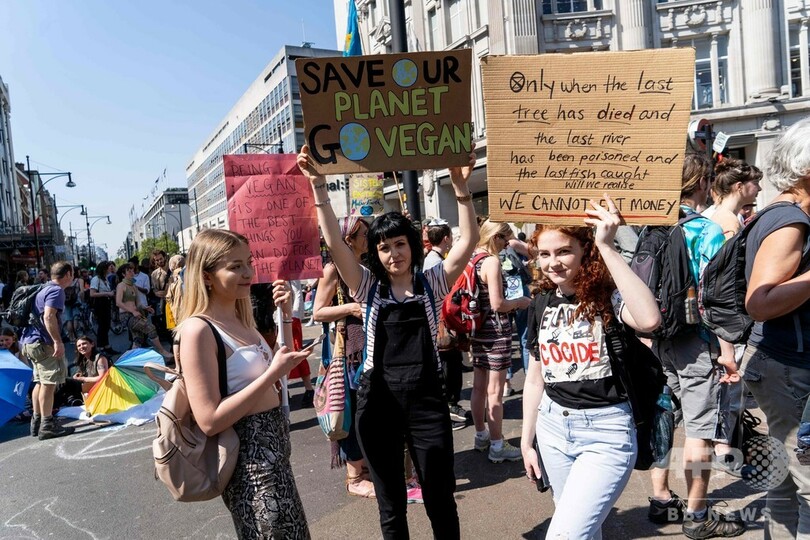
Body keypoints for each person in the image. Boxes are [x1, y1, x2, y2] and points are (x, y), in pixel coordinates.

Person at [299, 144, 478, 539]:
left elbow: (468, 241)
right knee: (391, 504)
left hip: (427, 402)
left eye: (400, 244)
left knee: (440, 498)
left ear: (412, 246)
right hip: (377, 403)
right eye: (383, 247)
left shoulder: (432, 283)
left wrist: (461, 188)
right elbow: (336, 244)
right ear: (376, 253)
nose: (393, 253)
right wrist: (319, 188)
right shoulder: (367, 287)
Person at [521, 195, 662, 539]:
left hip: (606, 432)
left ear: (585, 250)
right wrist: (527, 440)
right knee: (585, 530)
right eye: (544, 254)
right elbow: (536, 378)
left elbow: (649, 320)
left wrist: (607, 246)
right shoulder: (541, 301)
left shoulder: (607, 295)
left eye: (563, 251)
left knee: (566, 535)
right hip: (553, 427)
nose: (553, 263)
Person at [179, 228, 311, 539]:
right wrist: (271, 375)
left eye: (249, 262)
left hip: (277, 458)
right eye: (235, 266)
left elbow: (270, 369)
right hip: (251, 468)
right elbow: (209, 419)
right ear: (207, 276)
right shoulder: (198, 330)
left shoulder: (241, 319)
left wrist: (286, 315)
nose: (248, 273)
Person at [647, 154, 744, 538]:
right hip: (697, 342)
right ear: (702, 183)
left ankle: (660, 498)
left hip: (660, 337)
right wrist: (727, 352)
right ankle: (697, 514)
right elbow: (715, 298)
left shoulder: (654, 226)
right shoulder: (706, 231)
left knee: (664, 415)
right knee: (700, 430)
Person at [740, 118, 810, 539]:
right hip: (788, 366)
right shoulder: (790, 222)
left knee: (785, 478)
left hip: (779, 362)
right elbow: (760, 303)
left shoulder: (782, 213)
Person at [312, 215, 376, 498]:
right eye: (364, 235)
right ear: (348, 239)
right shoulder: (332, 269)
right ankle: (354, 476)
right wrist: (351, 308)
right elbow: (318, 312)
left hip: (366, 349)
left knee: (367, 410)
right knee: (350, 410)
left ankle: (365, 467)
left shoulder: (366, 265)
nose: (368, 239)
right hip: (348, 353)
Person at [470, 220, 532, 463]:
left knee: (478, 387)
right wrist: (519, 303)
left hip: (476, 329)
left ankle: (481, 436)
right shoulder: (491, 261)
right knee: (494, 391)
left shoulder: (472, 258)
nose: (507, 245)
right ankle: (497, 445)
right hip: (495, 330)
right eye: (505, 240)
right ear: (495, 237)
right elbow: (498, 304)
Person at [20, 261, 75, 440]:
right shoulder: (56, 290)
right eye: (72, 274)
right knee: (49, 384)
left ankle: (37, 422)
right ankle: (47, 425)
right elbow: (49, 316)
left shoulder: (42, 288)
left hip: (29, 342)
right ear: (68, 274)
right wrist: (57, 341)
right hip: (43, 343)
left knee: (40, 382)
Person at [424, 219, 468, 430]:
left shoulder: (435, 259)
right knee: (447, 368)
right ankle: (449, 407)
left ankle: (451, 405)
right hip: (442, 323)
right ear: (446, 238)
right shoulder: (435, 262)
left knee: (450, 367)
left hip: (444, 321)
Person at [115, 263, 174, 360]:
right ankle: (162, 351)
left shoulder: (133, 285)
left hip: (135, 314)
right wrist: (133, 311)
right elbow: (118, 303)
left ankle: (130, 361)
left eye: (132, 270)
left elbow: (138, 303)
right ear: (123, 274)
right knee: (150, 328)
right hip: (126, 316)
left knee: (138, 339)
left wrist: (146, 307)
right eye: (129, 271)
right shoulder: (121, 286)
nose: (132, 272)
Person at [704, 158, 762, 239]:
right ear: (739, 186)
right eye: (755, 183)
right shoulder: (730, 222)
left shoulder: (723, 215)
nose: (760, 188)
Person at [289, 279, 315, 407]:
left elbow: (297, 292)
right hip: (271, 319)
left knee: (297, 352)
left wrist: (295, 315)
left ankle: (309, 389)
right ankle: (282, 389)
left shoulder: (289, 271)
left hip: (290, 318)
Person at [90, 261, 117, 355]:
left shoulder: (105, 279)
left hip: (106, 302)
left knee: (106, 325)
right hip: (100, 303)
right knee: (102, 326)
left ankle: (106, 345)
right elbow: (92, 293)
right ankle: (100, 347)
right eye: (108, 267)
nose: (110, 268)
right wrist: (107, 293)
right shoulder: (96, 279)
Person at [62, 265, 84, 343]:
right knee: (75, 318)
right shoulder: (79, 280)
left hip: (67, 301)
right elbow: (82, 292)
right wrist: (82, 300)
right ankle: (76, 335)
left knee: (69, 319)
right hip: (76, 301)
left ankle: (71, 337)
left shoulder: (66, 281)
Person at [151, 250, 170, 339]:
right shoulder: (154, 274)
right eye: (157, 260)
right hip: (164, 303)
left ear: (165, 257)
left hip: (176, 301)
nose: (159, 261)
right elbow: (154, 289)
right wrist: (157, 293)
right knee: (168, 328)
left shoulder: (173, 268)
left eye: (161, 259)